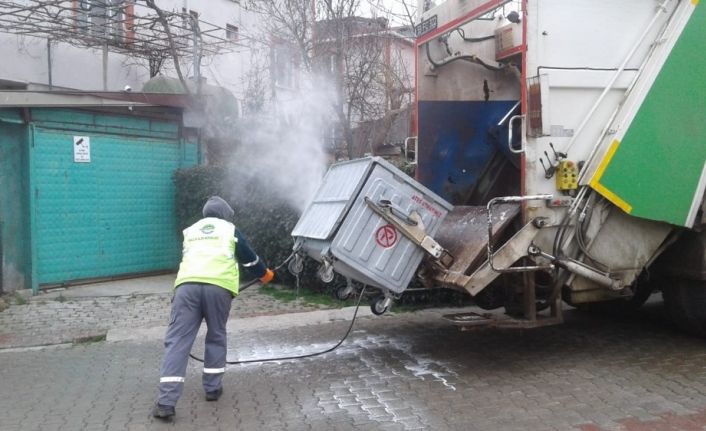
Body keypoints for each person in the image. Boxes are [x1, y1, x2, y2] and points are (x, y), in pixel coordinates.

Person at [152, 196, 274, 419]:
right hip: (218, 289)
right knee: (216, 335)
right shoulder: (229, 229)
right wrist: (264, 274)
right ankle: (212, 389)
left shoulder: (190, 231)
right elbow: (248, 258)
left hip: (186, 289)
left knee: (178, 341)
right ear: (226, 214)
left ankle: (166, 403)